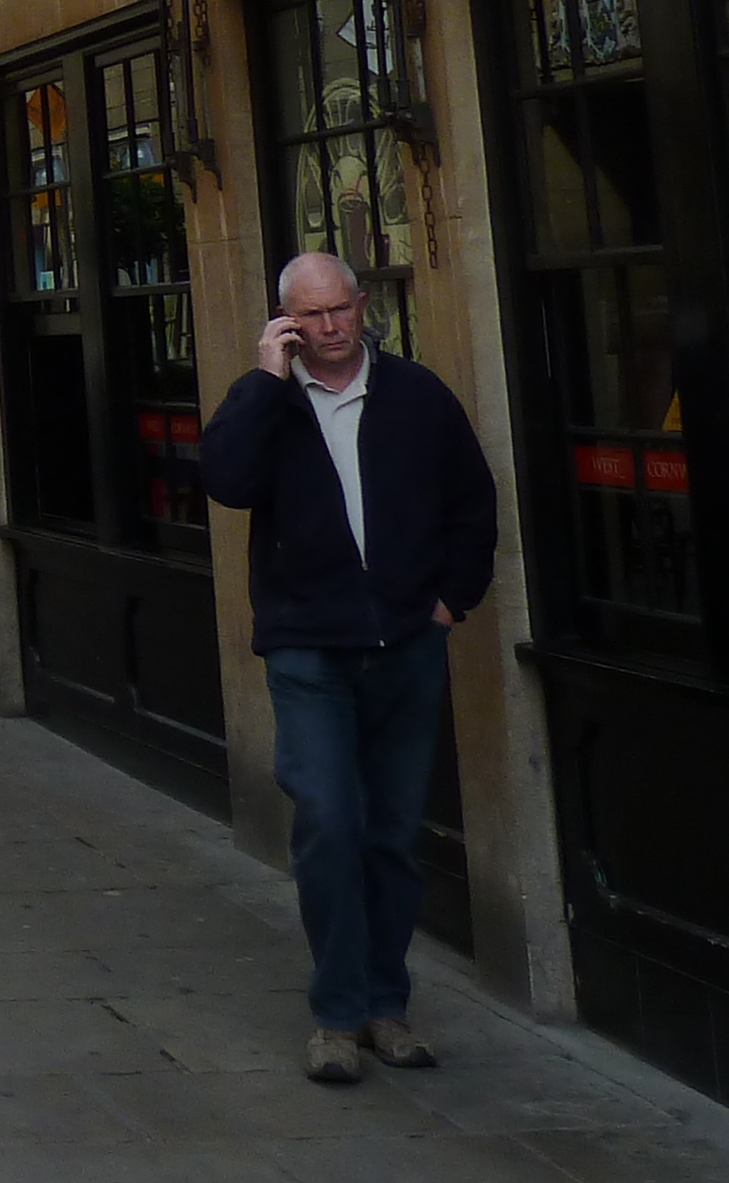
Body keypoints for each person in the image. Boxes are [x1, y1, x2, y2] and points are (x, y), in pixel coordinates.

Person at [200, 251, 498, 1088]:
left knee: (393, 832)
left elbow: (473, 503)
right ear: (286, 320)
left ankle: (386, 1004)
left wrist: (448, 602)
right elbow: (224, 481)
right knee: (329, 820)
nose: (330, 329)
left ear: (362, 306)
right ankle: (336, 1014)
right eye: (311, 316)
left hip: (406, 640)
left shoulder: (417, 394)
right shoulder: (269, 402)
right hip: (308, 646)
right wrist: (265, 379)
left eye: (340, 311)